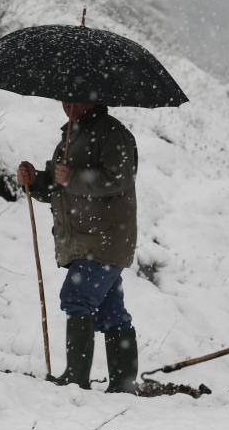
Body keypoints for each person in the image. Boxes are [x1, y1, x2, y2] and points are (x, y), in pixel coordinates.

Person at [17, 101, 139, 393]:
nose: (68, 105)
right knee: (111, 313)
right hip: (86, 239)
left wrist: (72, 177)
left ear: (93, 97)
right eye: (64, 98)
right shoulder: (72, 135)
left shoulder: (113, 134)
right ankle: (123, 384)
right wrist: (35, 181)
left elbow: (118, 179)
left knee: (76, 296)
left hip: (104, 239)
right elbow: (59, 189)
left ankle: (76, 379)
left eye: (75, 98)